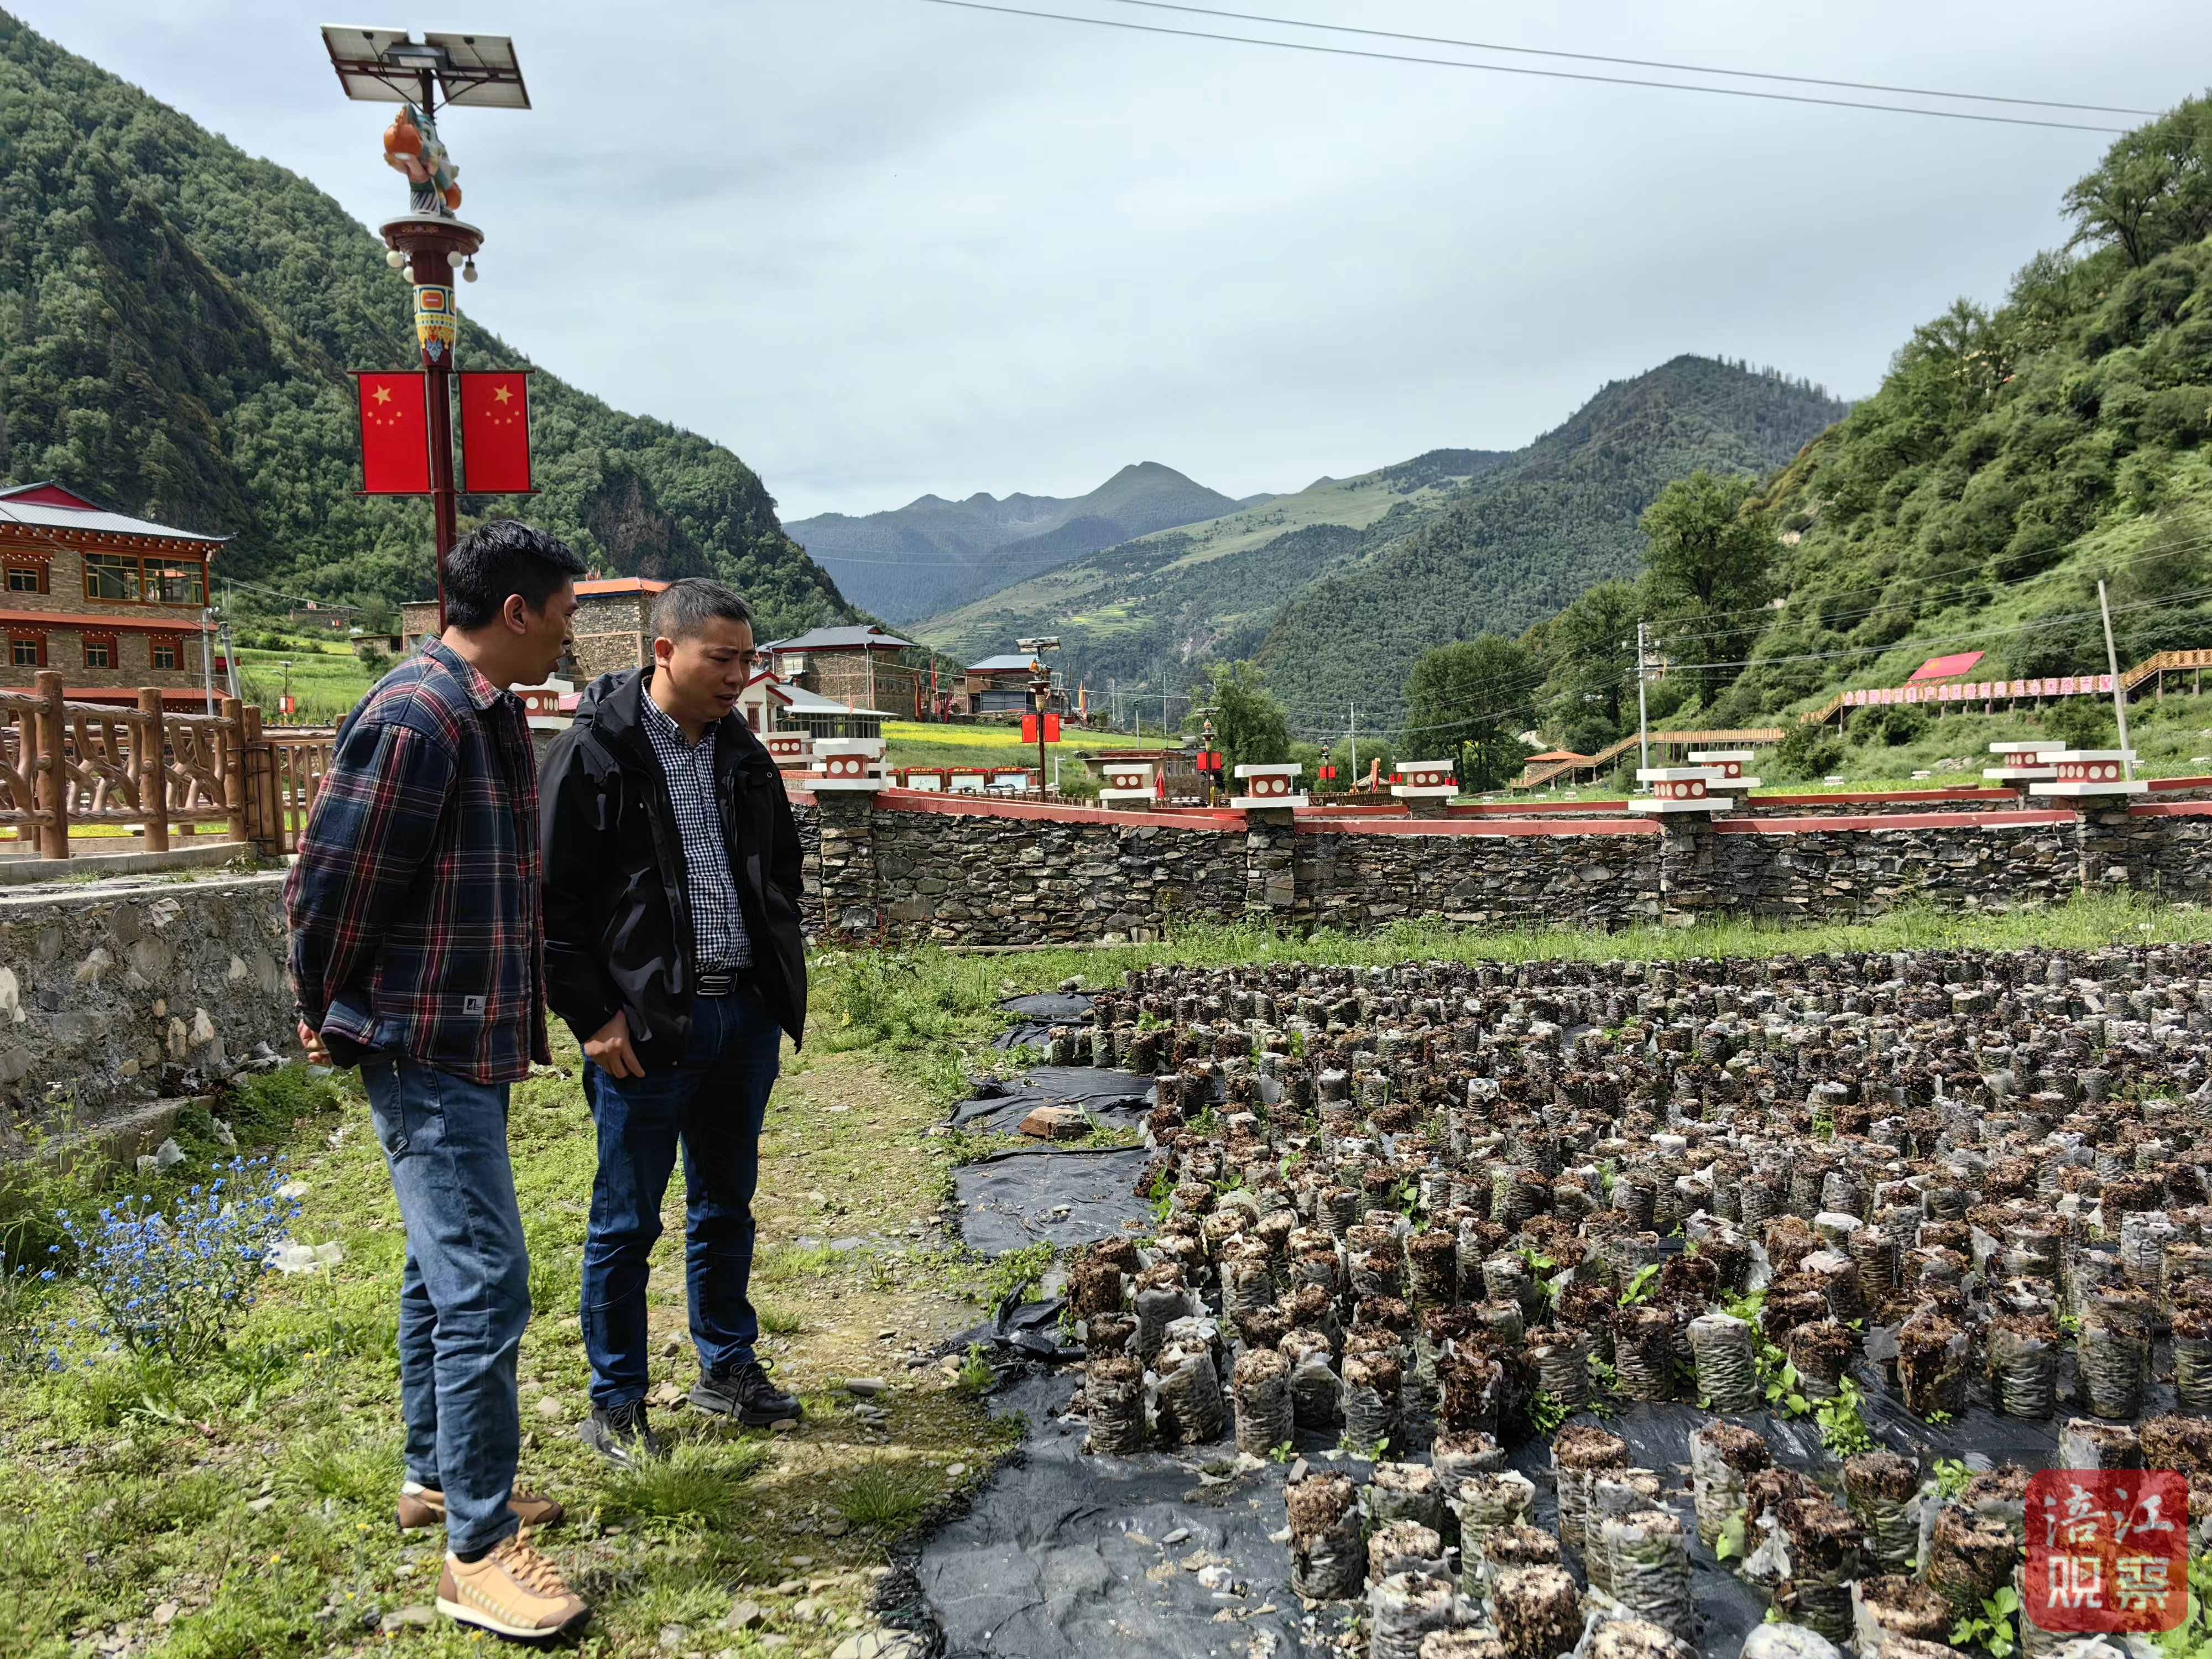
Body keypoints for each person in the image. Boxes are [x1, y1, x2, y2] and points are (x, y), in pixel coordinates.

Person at [286, 521, 590, 1641]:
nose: (568, 637)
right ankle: (477, 1551)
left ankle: (436, 1477)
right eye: (563, 615)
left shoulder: (488, 710)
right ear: (514, 612)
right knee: (485, 1283)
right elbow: (329, 885)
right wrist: (321, 1005)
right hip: (421, 1042)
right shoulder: (418, 717)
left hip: (470, 1037)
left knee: (438, 1268)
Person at [539, 577, 810, 1464]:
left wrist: (771, 983)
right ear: (665, 651)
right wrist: (593, 1015)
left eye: (747, 660)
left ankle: (726, 1368)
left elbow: (778, 873)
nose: (738, 677)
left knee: (726, 1206)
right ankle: (616, 1404)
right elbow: (551, 904)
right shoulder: (595, 754)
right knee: (627, 1222)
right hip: (646, 1029)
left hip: (741, 1019)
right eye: (721, 659)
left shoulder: (742, 754)